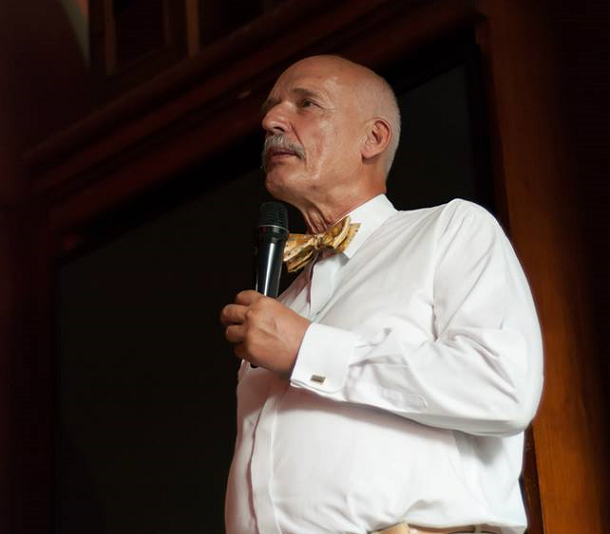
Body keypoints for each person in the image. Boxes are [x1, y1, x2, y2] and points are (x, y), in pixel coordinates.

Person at [220, 55, 543, 534]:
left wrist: (307, 349)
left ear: (372, 138)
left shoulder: (450, 229)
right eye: (271, 109)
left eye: (306, 104)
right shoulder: (284, 305)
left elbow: (503, 386)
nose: (271, 122)